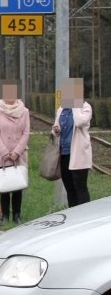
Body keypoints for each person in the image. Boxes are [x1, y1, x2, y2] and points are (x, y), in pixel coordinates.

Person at [0, 81, 30, 224]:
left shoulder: (24, 111)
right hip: (3, 154)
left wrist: (17, 152)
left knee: (18, 185)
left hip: (18, 154)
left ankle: (17, 215)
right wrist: (5, 152)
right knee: (5, 186)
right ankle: (5, 215)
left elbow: (26, 133)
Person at [52, 78, 92, 207]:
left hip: (79, 154)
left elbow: (80, 122)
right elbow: (55, 128)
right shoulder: (61, 109)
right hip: (64, 153)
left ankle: (85, 215)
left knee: (80, 187)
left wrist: (75, 105)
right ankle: (73, 216)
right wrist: (55, 130)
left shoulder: (85, 107)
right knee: (69, 188)